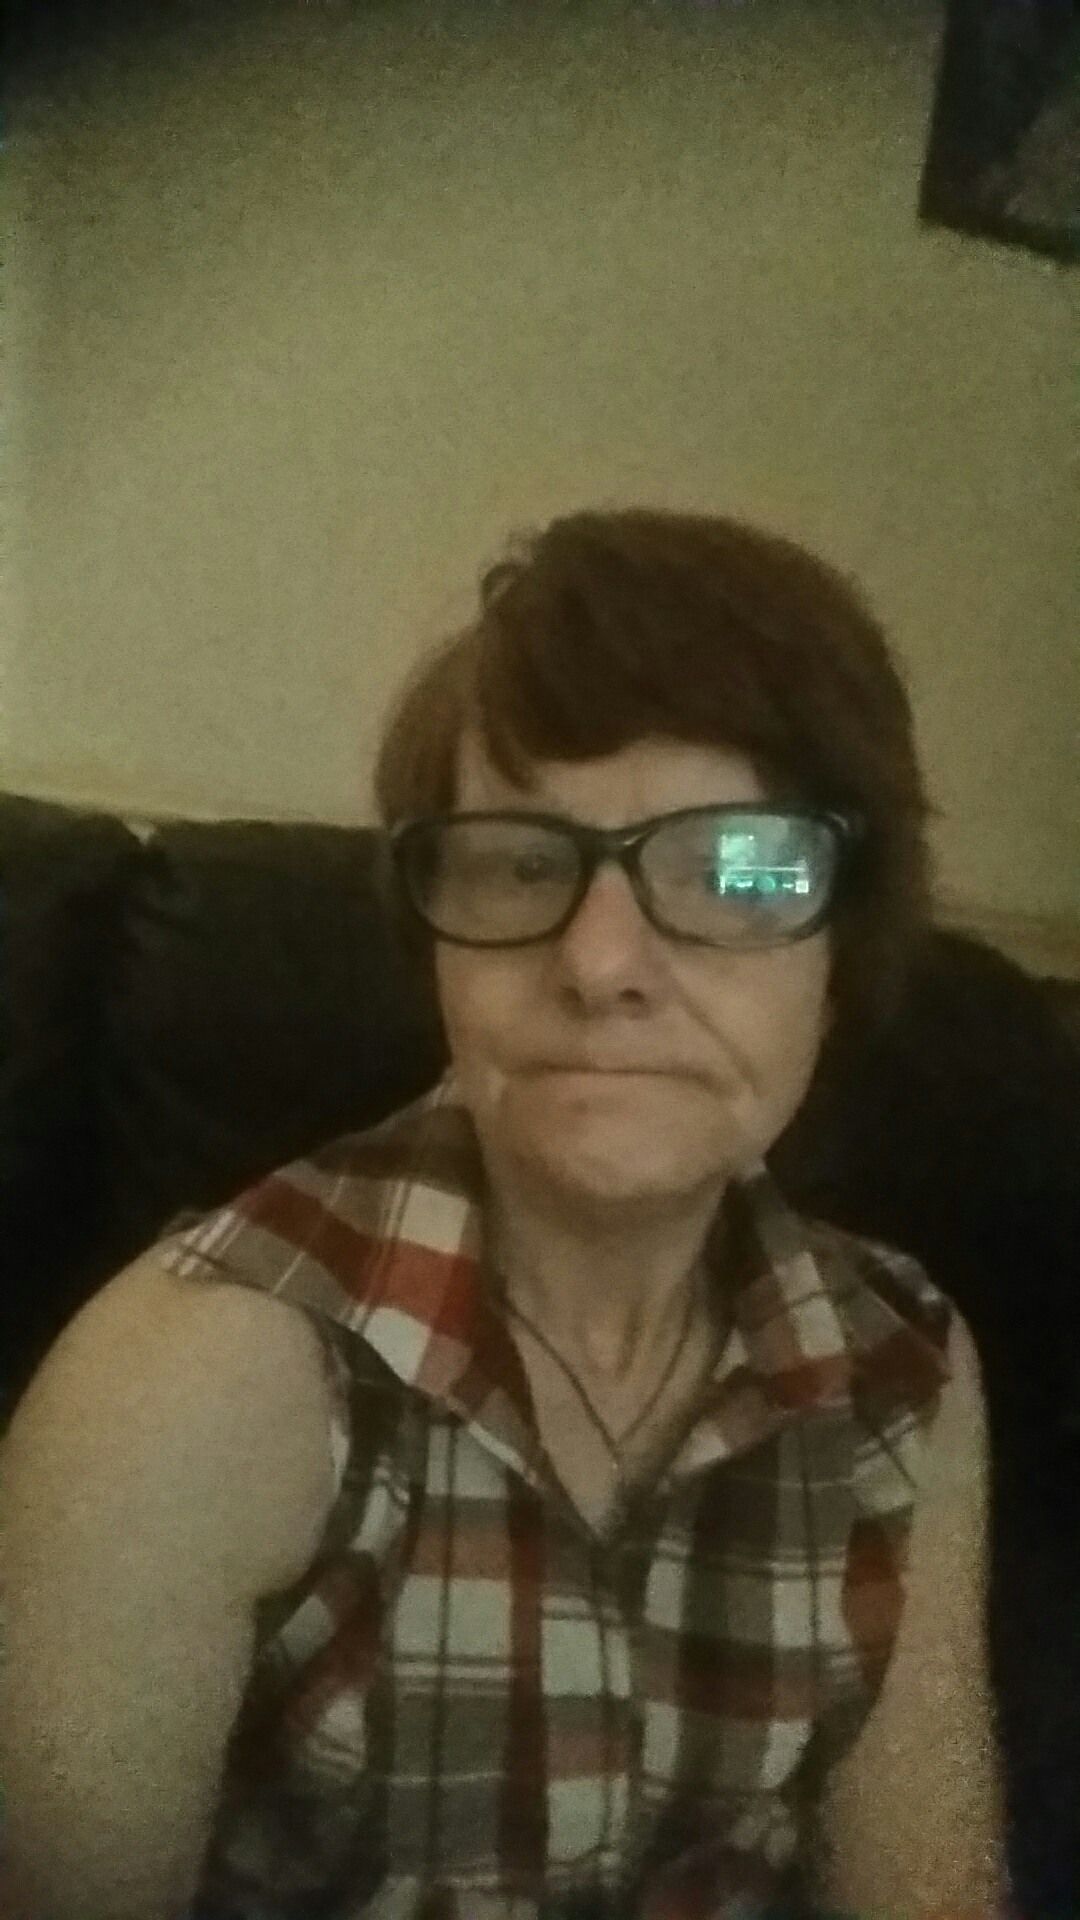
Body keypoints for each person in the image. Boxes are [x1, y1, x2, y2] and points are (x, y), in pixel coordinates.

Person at [0, 508, 1007, 1919]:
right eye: (523, 863)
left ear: (844, 949)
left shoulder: (904, 1370)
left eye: (736, 868)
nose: (599, 964)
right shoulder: (187, 1388)